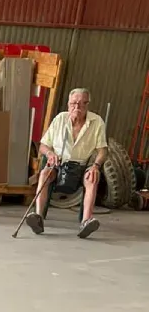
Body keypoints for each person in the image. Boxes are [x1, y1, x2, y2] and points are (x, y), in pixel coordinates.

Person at [26, 87, 107, 239]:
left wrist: (96, 166)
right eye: (73, 103)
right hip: (59, 165)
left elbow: (103, 151)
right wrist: (50, 154)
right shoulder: (60, 119)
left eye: (82, 104)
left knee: (92, 178)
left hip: (82, 167)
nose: (77, 107)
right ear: (68, 104)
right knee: (44, 174)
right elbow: (43, 145)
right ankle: (38, 217)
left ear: (87, 104)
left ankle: (86, 221)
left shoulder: (97, 122)